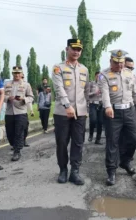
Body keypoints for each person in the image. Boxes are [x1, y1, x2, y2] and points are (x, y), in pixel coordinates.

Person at [99, 49, 136, 186]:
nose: (119, 65)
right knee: (112, 143)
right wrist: (107, 106)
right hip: (113, 112)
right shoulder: (104, 75)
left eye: (121, 63)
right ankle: (111, 172)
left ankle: (125, 161)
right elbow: (105, 93)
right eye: (116, 62)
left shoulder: (130, 74)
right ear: (110, 61)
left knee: (134, 139)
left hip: (130, 110)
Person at [52, 39, 89, 185]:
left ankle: (75, 171)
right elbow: (59, 88)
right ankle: (63, 170)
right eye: (73, 48)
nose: (76, 52)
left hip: (80, 112)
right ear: (67, 49)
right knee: (62, 142)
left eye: (79, 49)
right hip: (62, 112)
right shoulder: (58, 68)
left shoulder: (84, 69)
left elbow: (86, 90)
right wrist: (67, 106)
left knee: (78, 142)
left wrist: (88, 107)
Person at [4, 66, 34, 161]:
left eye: (18, 73)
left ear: (21, 74)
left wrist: (23, 99)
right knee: (10, 133)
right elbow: (1, 96)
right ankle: (14, 145)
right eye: (15, 73)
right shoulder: (7, 84)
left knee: (19, 132)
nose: (17, 75)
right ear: (12, 74)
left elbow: (31, 97)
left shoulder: (26, 85)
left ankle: (17, 151)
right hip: (9, 112)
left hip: (21, 111)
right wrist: (8, 98)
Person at [88, 71, 103, 144]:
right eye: (97, 76)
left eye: (100, 76)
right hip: (93, 104)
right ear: (95, 76)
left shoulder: (103, 85)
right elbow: (87, 94)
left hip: (100, 104)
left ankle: (98, 139)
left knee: (100, 122)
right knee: (93, 120)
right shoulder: (91, 83)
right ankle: (91, 134)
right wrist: (94, 93)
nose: (99, 77)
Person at [22, 73, 34, 147]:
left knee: (25, 127)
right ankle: (16, 144)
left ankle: (24, 140)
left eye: (23, 77)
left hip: (24, 112)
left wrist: (31, 111)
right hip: (16, 112)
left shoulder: (26, 86)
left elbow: (29, 101)